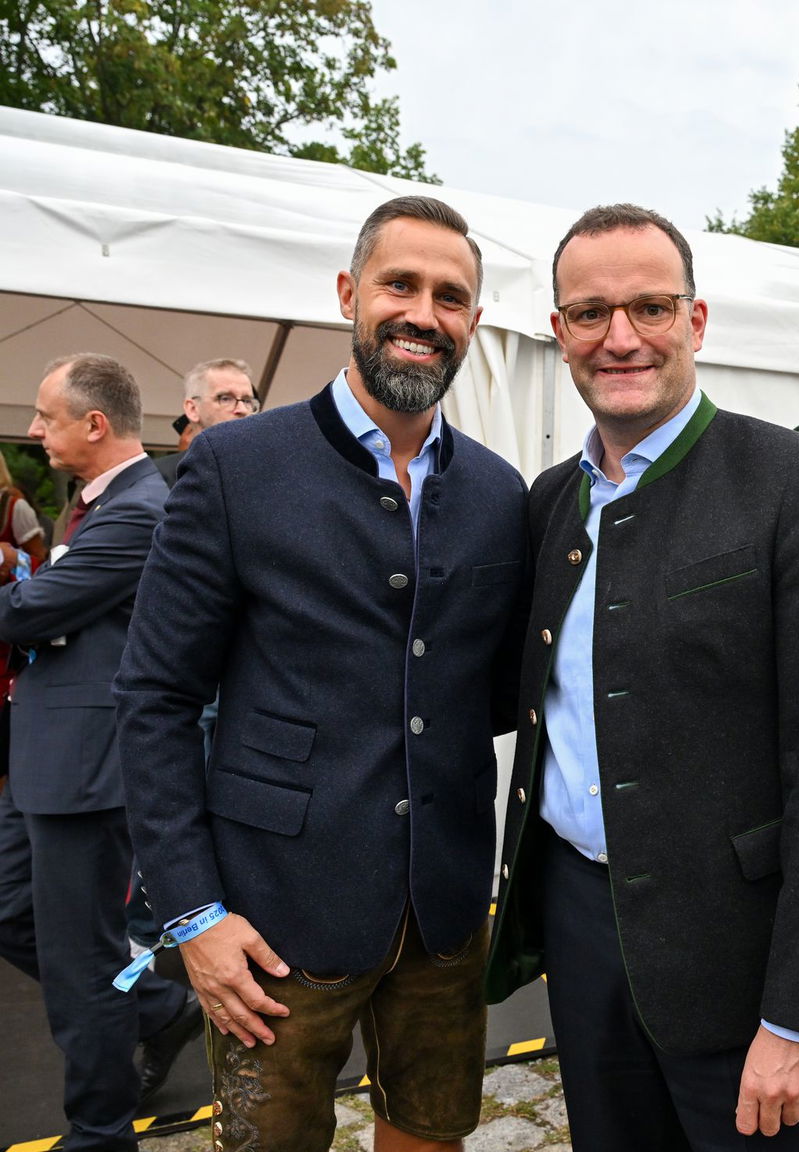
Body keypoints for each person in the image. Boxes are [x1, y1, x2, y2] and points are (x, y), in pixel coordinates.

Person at [114, 195, 529, 1152]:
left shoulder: (501, 493)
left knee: (431, 1132)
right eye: (402, 284)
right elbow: (155, 697)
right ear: (350, 293)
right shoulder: (234, 467)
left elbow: (497, 689)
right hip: (271, 911)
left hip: (447, 905)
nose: (425, 313)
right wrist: (193, 913)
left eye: (452, 296)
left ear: (472, 319)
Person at [483, 203, 799, 1150]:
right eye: (590, 314)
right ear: (560, 335)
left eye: (650, 308)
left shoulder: (793, 479)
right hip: (583, 926)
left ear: (695, 323)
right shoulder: (552, 502)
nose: (620, 337)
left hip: (739, 949)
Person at [0, 353, 198, 1151]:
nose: (33, 429)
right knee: (10, 910)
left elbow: (28, 612)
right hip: (46, 761)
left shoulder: (139, 509)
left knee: (83, 967)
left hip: (84, 771)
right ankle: (156, 1005)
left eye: (47, 416)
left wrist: (28, 602)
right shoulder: (95, 507)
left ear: (94, 423)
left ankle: (101, 1133)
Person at [154, 359, 259, 486]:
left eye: (247, 401)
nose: (242, 409)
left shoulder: (269, 475)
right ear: (193, 409)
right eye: (225, 399)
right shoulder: (159, 478)